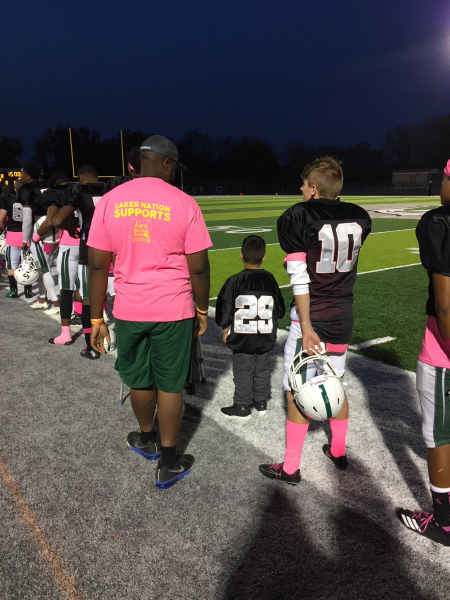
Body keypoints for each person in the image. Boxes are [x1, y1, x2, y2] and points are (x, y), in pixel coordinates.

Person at [87, 135, 212, 490]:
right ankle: (169, 462)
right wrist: (202, 309)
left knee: (139, 378)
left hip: (129, 307)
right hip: (173, 307)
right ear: (167, 163)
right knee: (170, 385)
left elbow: (97, 266)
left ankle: (147, 439)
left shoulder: (110, 201)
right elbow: (199, 267)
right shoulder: (184, 203)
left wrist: (96, 319)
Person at [259, 156, 371, 485]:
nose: (299, 189)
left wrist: (307, 327)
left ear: (313, 189)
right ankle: (338, 450)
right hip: (342, 314)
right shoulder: (358, 216)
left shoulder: (300, 215)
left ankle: (290, 468)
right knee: (335, 382)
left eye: (303, 184)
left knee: (297, 389)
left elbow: (301, 280)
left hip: (313, 318)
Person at [396, 159, 450, 546]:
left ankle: (444, 523)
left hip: (443, 351)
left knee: (439, 434)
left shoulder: (440, 223)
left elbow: (446, 306)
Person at [215, 235, 285, 419]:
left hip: (243, 335)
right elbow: (280, 310)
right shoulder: (270, 279)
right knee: (263, 368)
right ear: (264, 257)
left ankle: (242, 405)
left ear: (241, 255)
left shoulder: (234, 280)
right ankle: (261, 401)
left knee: (243, 370)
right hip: (264, 334)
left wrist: (225, 330)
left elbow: (225, 308)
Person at [53, 165, 104, 358]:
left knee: (87, 296)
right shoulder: (109, 188)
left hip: (89, 247)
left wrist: (69, 227)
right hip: (110, 246)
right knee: (114, 291)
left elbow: (57, 221)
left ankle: (91, 346)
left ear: (81, 178)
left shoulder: (79, 191)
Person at [0, 183, 25, 298]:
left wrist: (4, 228)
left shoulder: (5, 198)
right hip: (26, 233)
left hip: (13, 233)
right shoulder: (27, 197)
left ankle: (13, 290)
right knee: (26, 262)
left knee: (11, 264)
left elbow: (1, 217)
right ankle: (28, 290)